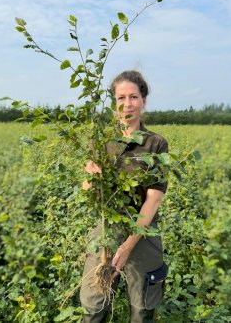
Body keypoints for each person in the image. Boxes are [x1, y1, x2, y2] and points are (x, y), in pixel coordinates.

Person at [80, 70, 168, 323]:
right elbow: (88, 191)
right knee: (94, 306)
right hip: (107, 227)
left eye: (133, 97)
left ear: (143, 101)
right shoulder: (102, 141)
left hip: (142, 231)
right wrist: (90, 175)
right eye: (121, 98)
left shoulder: (155, 145)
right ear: (114, 102)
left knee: (142, 309)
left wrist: (128, 247)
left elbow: (153, 200)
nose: (127, 104)